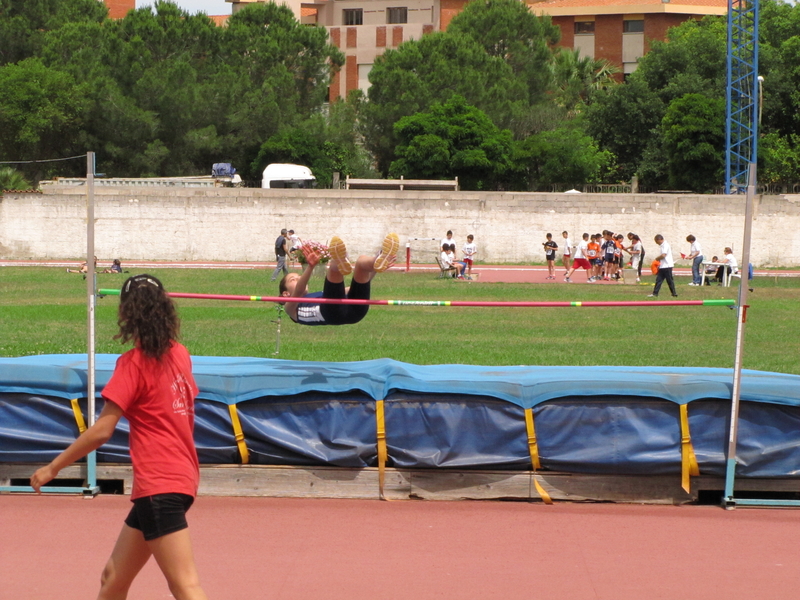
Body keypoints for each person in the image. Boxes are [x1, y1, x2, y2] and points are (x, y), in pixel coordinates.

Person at [30, 274, 208, 600]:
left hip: (160, 483)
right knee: (113, 578)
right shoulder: (180, 354)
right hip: (178, 478)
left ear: (127, 314)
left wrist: (53, 468)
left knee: (185, 585)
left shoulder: (132, 364)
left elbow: (102, 430)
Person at [280, 233, 399, 325]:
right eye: (293, 279)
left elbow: (357, 288)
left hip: (356, 311)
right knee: (333, 267)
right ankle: (340, 260)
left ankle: (377, 259)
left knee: (361, 263)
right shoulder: (290, 309)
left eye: (298, 276)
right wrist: (310, 267)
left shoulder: (318, 295)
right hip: (331, 313)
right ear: (286, 294)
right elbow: (298, 292)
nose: (299, 278)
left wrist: (374, 269)